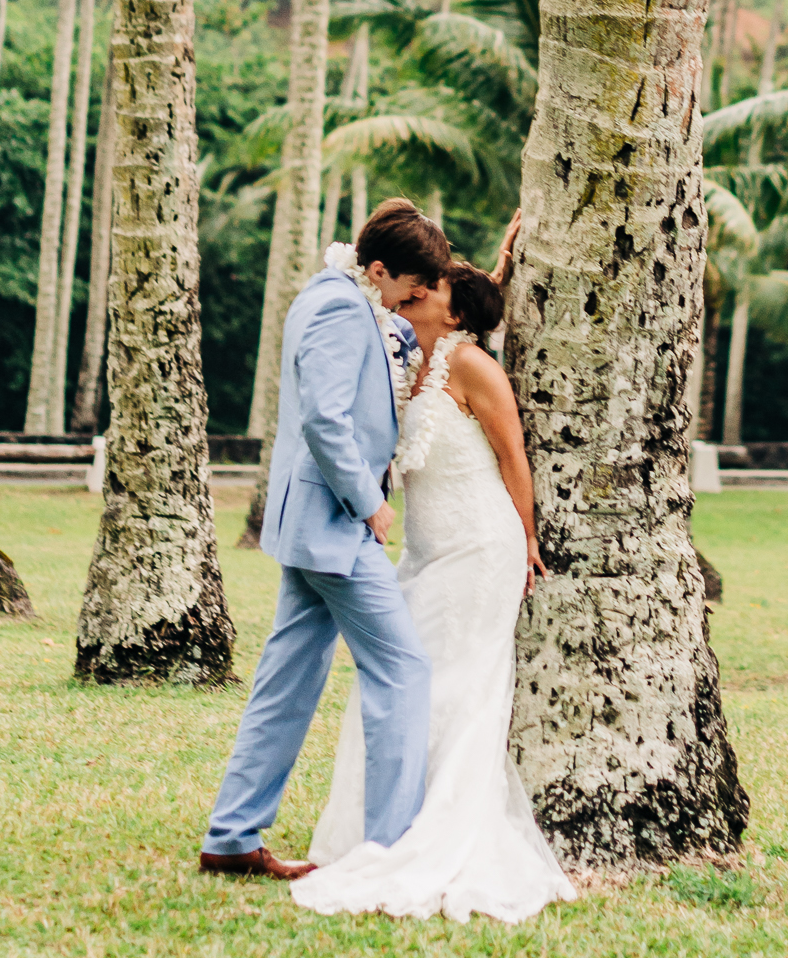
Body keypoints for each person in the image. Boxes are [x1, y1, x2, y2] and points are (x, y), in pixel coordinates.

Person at [292, 250, 575, 924]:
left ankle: (442, 830)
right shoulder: (406, 358)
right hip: (423, 554)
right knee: (398, 680)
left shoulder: (473, 364)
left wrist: (529, 540)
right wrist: (500, 264)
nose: (419, 287)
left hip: (481, 549)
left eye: (436, 283)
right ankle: (383, 826)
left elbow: (512, 456)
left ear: (453, 308)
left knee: (458, 689)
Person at [199, 197, 453, 881]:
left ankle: (231, 837)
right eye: (411, 288)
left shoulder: (344, 294)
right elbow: (324, 418)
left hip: (314, 527)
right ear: (377, 269)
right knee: (403, 669)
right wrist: (367, 501)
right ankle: (390, 849)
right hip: (335, 523)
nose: (414, 301)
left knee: (287, 682)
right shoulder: (341, 307)